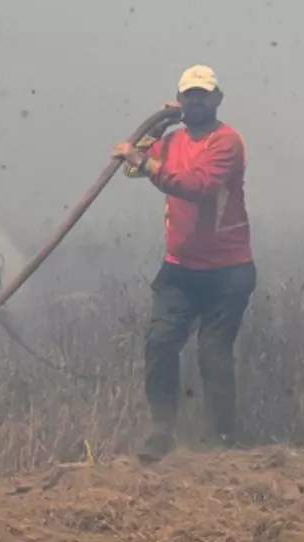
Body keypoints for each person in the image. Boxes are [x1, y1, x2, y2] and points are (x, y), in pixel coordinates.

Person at [112, 65, 256, 462]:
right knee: (160, 342)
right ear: (179, 99)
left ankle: (222, 438)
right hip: (180, 268)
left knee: (213, 352)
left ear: (217, 99)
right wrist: (157, 128)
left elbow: (199, 187)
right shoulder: (171, 140)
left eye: (202, 94)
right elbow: (129, 167)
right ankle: (162, 430)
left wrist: (146, 162)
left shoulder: (227, 142)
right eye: (187, 95)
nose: (194, 101)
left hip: (228, 271)